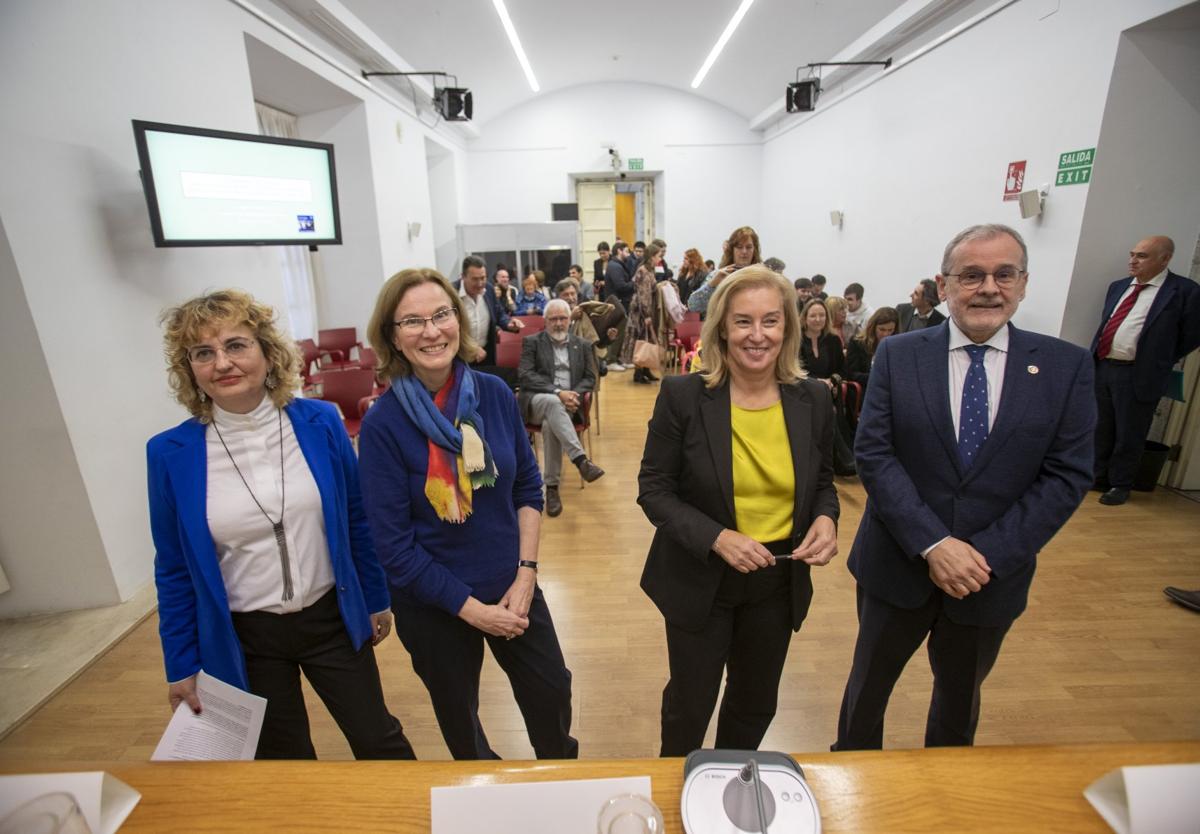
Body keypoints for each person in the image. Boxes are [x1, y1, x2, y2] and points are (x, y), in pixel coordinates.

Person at [833, 223, 1095, 751]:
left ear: (1023, 283)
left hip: (988, 577)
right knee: (867, 692)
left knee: (959, 700)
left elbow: (1067, 474)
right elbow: (876, 453)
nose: (989, 288)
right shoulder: (899, 355)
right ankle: (853, 777)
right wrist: (934, 544)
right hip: (898, 566)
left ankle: (950, 791)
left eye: (1004, 274)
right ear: (944, 284)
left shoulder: (1066, 367)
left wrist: (982, 555)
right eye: (971, 275)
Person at [147, 290, 415, 760]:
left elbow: (356, 517)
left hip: (332, 617)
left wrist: (376, 598)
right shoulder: (169, 454)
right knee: (286, 760)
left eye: (236, 345)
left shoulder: (320, 422)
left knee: (379, 740)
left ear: (268, 353)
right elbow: (172, 568)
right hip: (247, 638)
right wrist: (181, 664)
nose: (222, 363)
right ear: (190, 369)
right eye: (203, 353)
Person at [358, 268, 578, 761]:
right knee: (460, 715)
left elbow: (525, 485)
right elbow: (393, 548)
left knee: (551, 690)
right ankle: (486, 791)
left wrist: (526, 574)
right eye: (412, 321)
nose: (431, 331)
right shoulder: (383, 425)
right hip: (433, 602)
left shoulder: (496, 394)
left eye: (441, 315)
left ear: (459, 320)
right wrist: (473, 611)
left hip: (510, 581)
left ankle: (558, 776)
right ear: (393, 336)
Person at [638, 265, 839, 756]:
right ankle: (678, 783)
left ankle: (731, 782)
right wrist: (718, 537)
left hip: (776, 579)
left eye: (770, 321)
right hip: (701, 574)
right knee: (691, 701)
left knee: (754, 703)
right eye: (743, 321)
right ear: (721, 329)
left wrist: (826, 518)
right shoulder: (684, 395)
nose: (757, 335)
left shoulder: (813, 399)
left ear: (787, 328)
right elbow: (654, 488)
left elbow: (823, 484)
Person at [1090, 235, 1200, 506]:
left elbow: (1192, 335)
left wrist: (1160, 359)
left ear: (1165, 259)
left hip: (1139, 373)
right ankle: (1097, 477)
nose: (1133, 260)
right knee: (1101, 427)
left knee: (1130, 432)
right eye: (1132, 254)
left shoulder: (1184, 291)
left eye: (1142, 256)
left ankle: (1120, 484)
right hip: (1104, 366)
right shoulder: (1118, 287)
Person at [519, 299, 605, 517]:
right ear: (545, 321)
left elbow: (590, 377)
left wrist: (573, 394)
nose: (558, 323)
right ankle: (580, 460)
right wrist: (559, 393)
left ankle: (552, 489)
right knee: (552, 402)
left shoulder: (582, 345)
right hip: (538, 401)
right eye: (553, 319)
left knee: (550, 426)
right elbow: (526, 375)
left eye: (562, 318)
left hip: (570, 404)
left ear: (570, 319)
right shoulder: (533, 342)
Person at [456, 255, 524, 384]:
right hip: (459, 358)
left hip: (485, 356)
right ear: (463, 276)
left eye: (483, 278)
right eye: (475, 279)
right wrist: (470, 348)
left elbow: (498, 313)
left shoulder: (489, 290)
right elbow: (447, 329)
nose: (480, 283)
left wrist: (509, 323)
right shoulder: (451, 293)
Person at [688, 226, 764, 317]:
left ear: (754, 250)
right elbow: (694, 306)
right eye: (739, 247)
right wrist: (712, 284)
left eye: (749, 247)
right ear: (732, 250)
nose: (744, 251)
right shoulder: (719, 275)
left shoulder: (762, 276)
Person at [556, 277, 625, 371]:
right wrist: (571, 318)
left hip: (589, 365)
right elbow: (556, 339)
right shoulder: (554, 315)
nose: (571, 298)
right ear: (559, 297)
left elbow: (597, 343)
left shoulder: (586, 313)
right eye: (566, 295)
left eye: (573, 294)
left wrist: (609, 338)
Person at [622, 241, 665, 384]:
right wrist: (646, 315)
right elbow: (643, 294)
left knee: (645, 341)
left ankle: (645, 370)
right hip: (640, 313)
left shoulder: (648, 270)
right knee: (640, 342)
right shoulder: (644, 271)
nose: (660, 258)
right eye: (659, 255)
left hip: (643, 311)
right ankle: (639, 373)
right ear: (652, 256)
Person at [844, 306, 898, 393]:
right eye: (882, 329)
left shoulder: (896, 346)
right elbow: (851, 374)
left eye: (890, 330)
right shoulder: (857, 343)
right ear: (873, 327)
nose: (886, 334)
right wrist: (877, 377)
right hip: (865, 389)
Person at [799, 298, 845, 384]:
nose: (818, 319)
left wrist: (832, 381)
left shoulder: (834, 339)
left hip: (829, 390)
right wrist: (817, 382)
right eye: (813, 316)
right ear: (805, 318)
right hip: (803, 389)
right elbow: (793, 370)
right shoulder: (796, 340)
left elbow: (842, 369)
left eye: (822, 315)